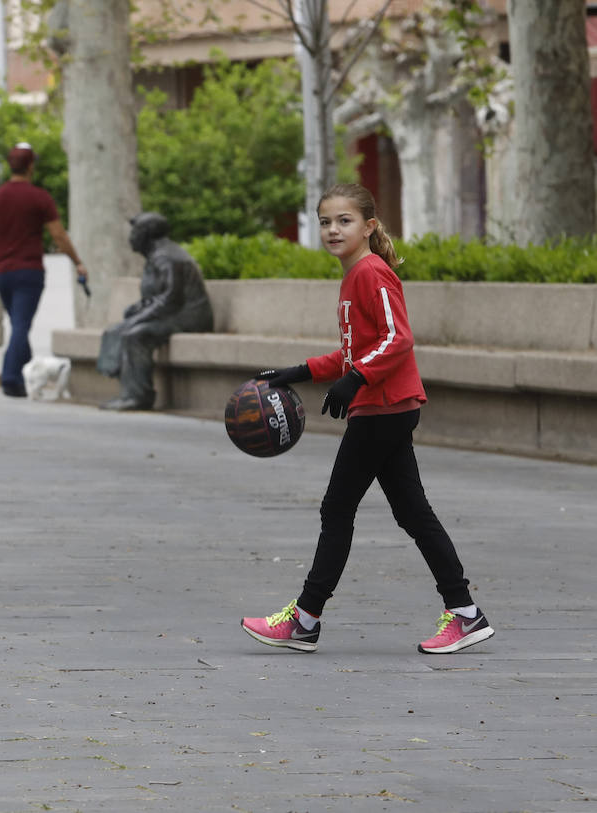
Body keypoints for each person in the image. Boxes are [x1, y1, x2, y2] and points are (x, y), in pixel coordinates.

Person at [240, 183, 494, 656]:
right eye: (325, 222)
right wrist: (301, 372)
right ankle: (464, 613)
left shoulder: (370, 272)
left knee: (337, 510)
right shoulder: (356, 273)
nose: (333, 230)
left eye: (344, 221)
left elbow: (398, 339)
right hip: (387, 408)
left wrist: (356, 378)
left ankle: (305, 620)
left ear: (369, 226)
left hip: (382, 409)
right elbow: (360, 347)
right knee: (412, 513)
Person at [0, 142, 87, 398]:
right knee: (21, 326)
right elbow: (58, 235)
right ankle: (11, 379)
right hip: (30, 272)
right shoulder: (39, 198)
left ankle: (28, 374)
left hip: (3, 273)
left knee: (18, 324)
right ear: (31, 165)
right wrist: (76, 261)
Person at [97, 212, 213, 411]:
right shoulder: (157, 256)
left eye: (135, 231)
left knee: (136, 334)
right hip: (175, 313)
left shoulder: (167, 258)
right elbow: (159, 296)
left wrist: (138, 319)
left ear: (147, 234)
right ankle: (128, 390)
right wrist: (138, 309)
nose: (131, 237)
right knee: (119, 329)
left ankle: (138, 396)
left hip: (189, 317)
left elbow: (170, 299)